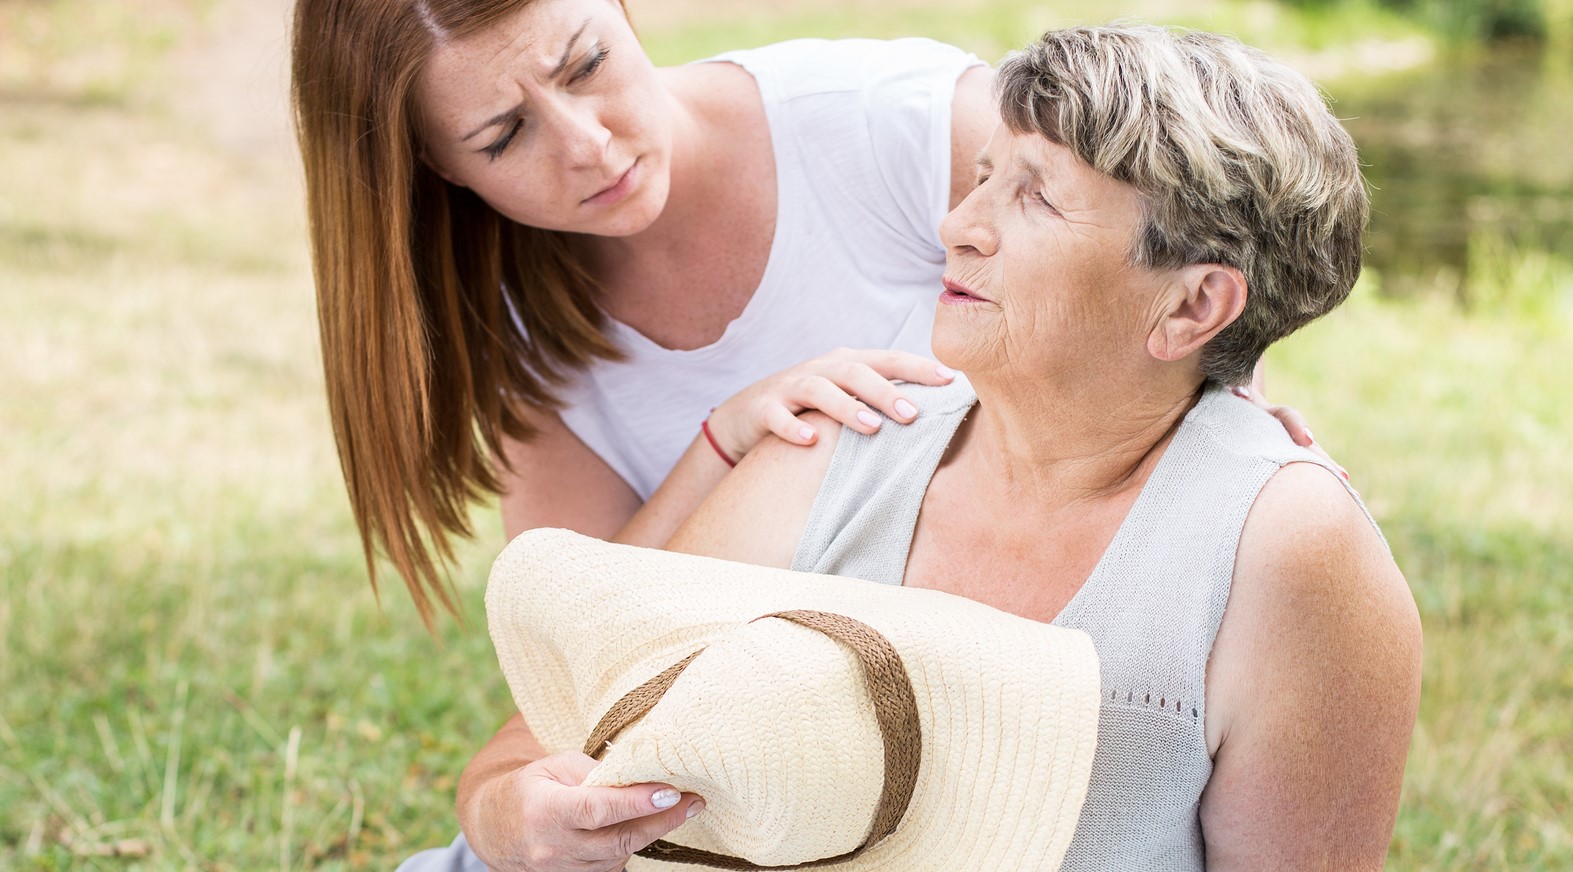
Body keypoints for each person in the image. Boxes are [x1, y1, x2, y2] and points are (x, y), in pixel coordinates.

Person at [290, 0, 1327, 866]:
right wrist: (721, 444)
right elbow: (576, 665)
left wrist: (1232, 435)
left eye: (589, 63)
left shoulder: (887, 127)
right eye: (504, 137)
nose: (588, 143)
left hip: (964, 731)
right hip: (769, 763)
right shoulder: (509, 326)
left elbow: (1169, 229)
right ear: (435, 171)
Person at [665, 24, 1424, 870]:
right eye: (982, 177)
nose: (958, 226)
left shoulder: (1286, 550)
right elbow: (595, 720)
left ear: (1191, 307)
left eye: (1035, 197)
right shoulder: (840, 438)